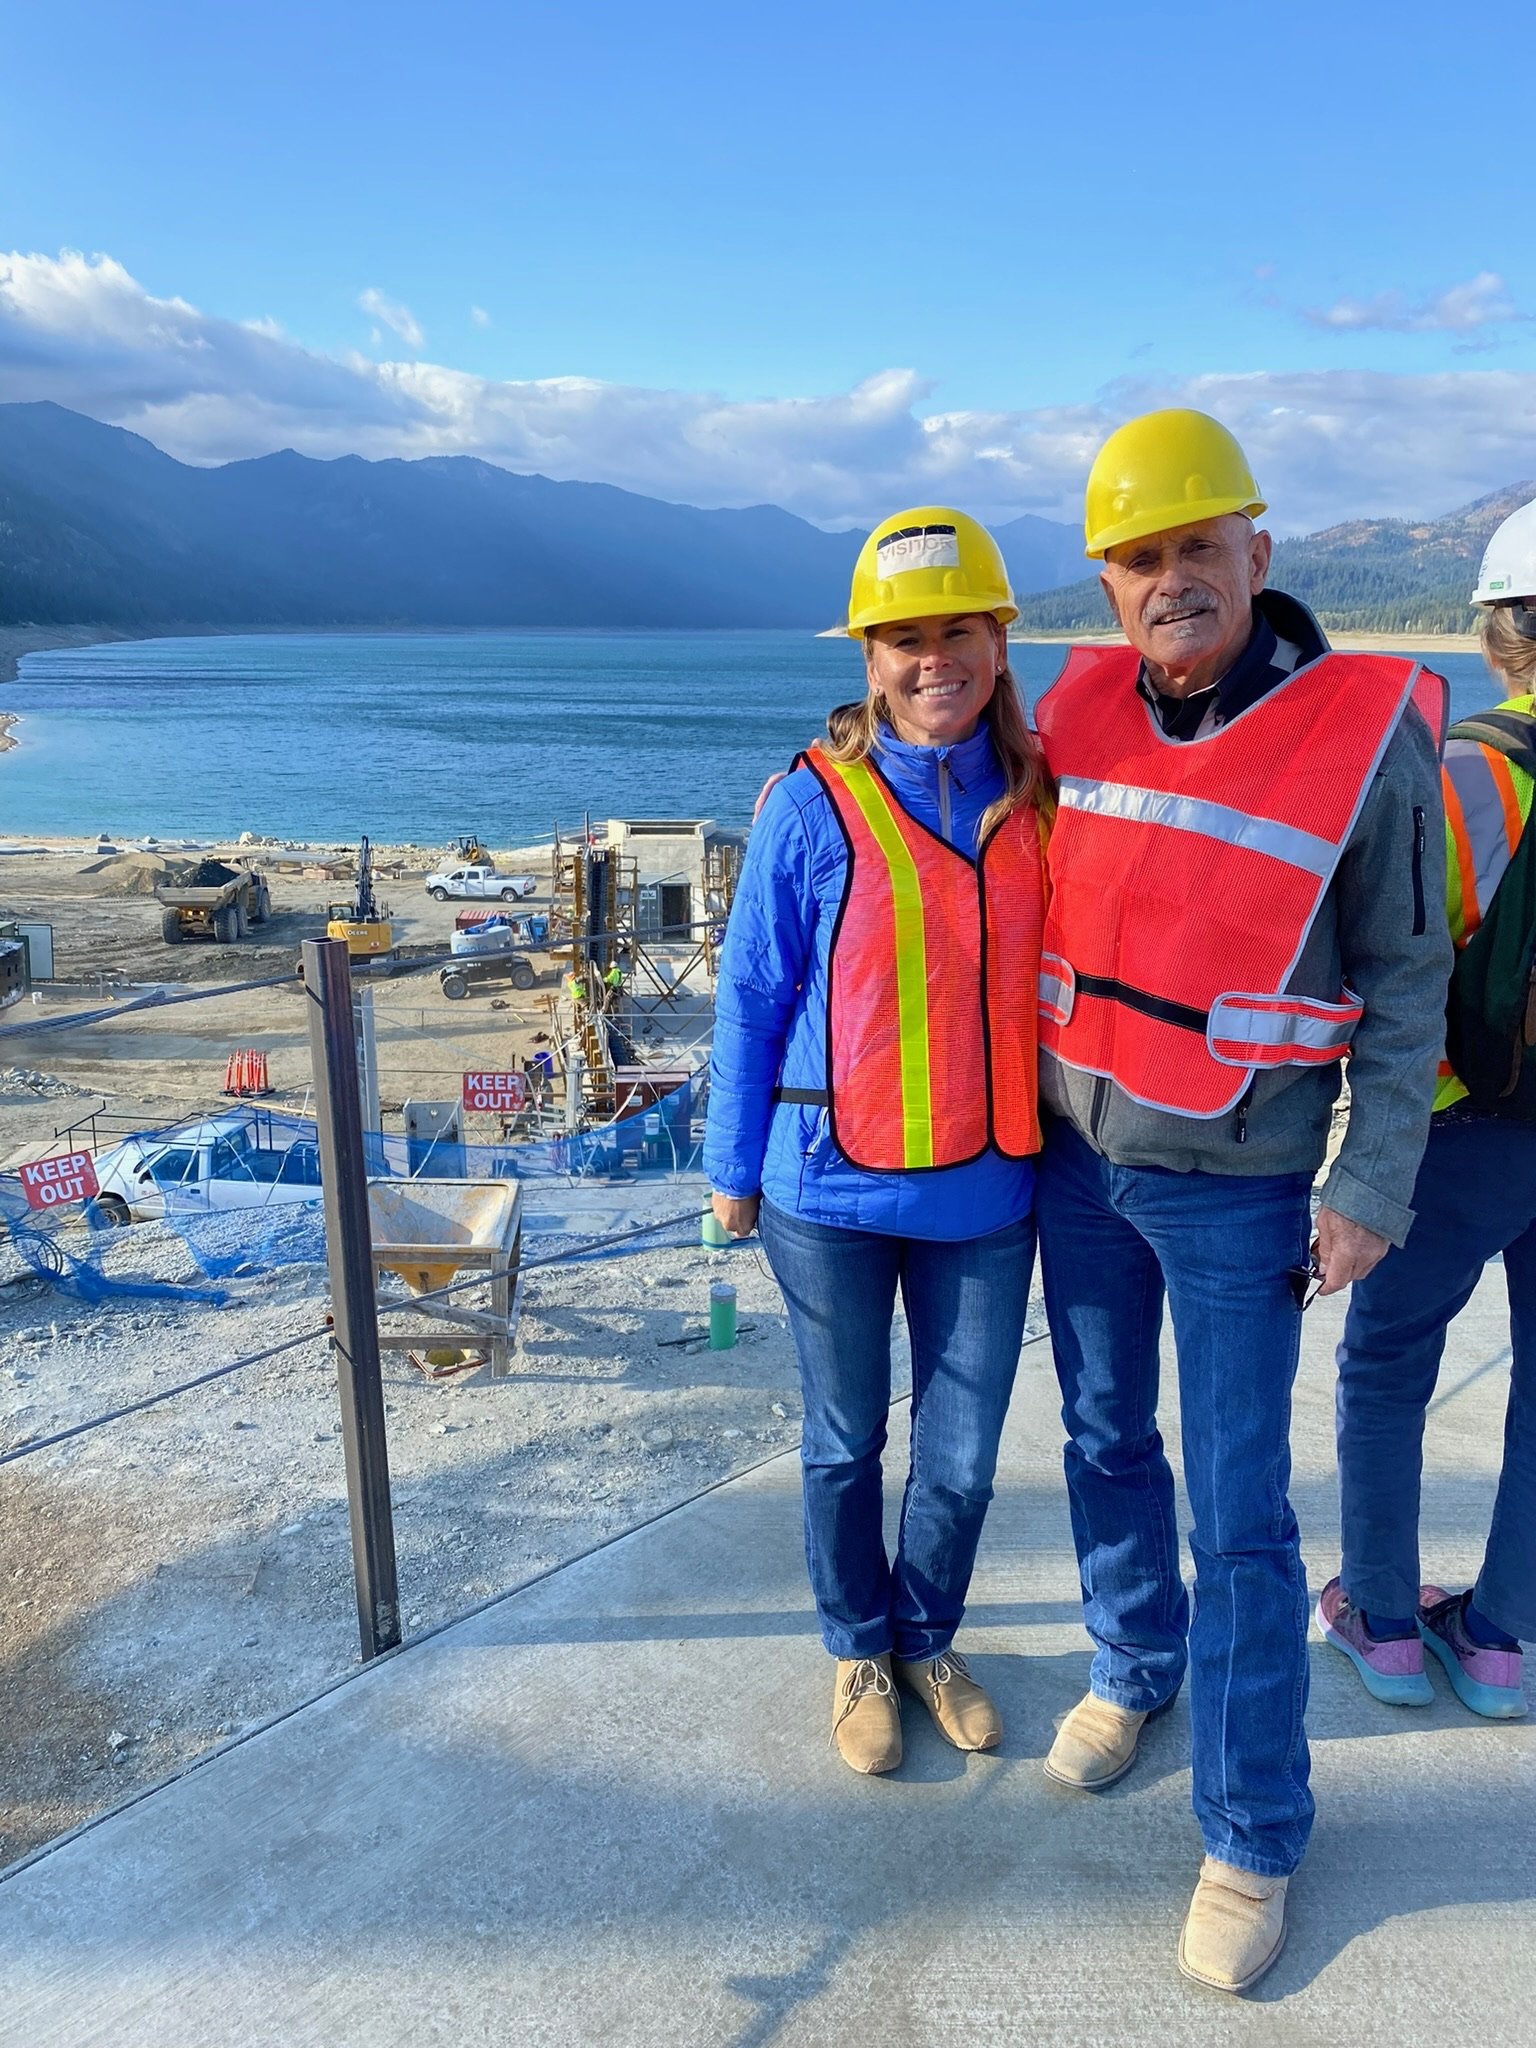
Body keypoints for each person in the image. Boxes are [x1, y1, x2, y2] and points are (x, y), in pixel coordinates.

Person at [1032, 410, 1450, 1993]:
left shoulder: (1361, 732)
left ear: (1257, 555)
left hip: (1242, 1187)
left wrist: (1372, 1182)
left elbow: (1411, 974)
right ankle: (1133, 1664)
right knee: (1097, 1437)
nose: (1170, 583)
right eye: (1139, 560)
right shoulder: (1075, 706)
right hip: (1081, 1161)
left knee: (1248, 1518)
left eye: (1197, 549)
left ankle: (1254, 1828)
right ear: (1111, 584)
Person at [705, 508, 1051, 1776]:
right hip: (828, 1193)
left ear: (999, 640)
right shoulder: (808, 806)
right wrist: (730, 1173)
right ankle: (859, 1645)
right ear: (868, 657)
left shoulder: (1037, 795)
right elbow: (749, 994)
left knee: (959, 1458)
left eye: (955, 631)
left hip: (986, 1190)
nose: (930, 660)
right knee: (845, 1440)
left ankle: (926, 1637)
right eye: (903, 639)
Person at [1320, 496, 1536, 1723]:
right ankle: (1502, 1642)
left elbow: (1393, 951)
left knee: (1390, 1365)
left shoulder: (1473, 769)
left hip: (1460, 1126)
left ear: (1501, 629)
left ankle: (1387, 1622)